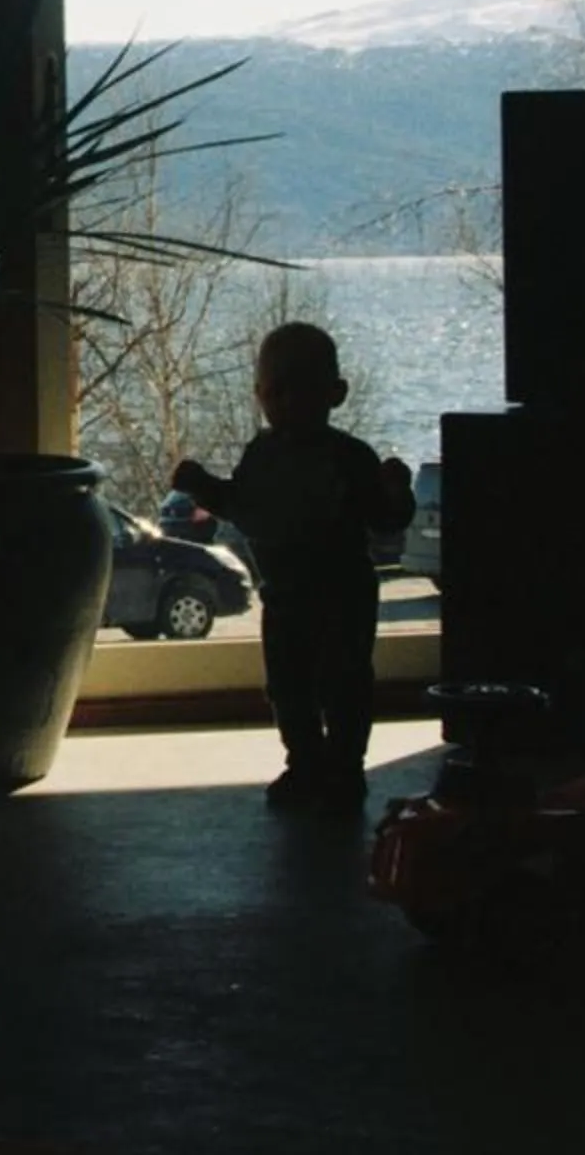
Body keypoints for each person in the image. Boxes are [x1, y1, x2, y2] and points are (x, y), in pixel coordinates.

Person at [170, 321, 414, 815]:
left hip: (326, 596)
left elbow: (243, 506)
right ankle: (313, 764)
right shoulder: (337, 455)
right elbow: (245, 505)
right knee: (294, 687)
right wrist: (207, 489)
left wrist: (203, 487)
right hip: (302, 595)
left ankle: (339, 767)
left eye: (294, 388)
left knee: (337, 685)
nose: (283, 401)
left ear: (334, 394)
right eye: (274, 390)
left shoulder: (289, 456)